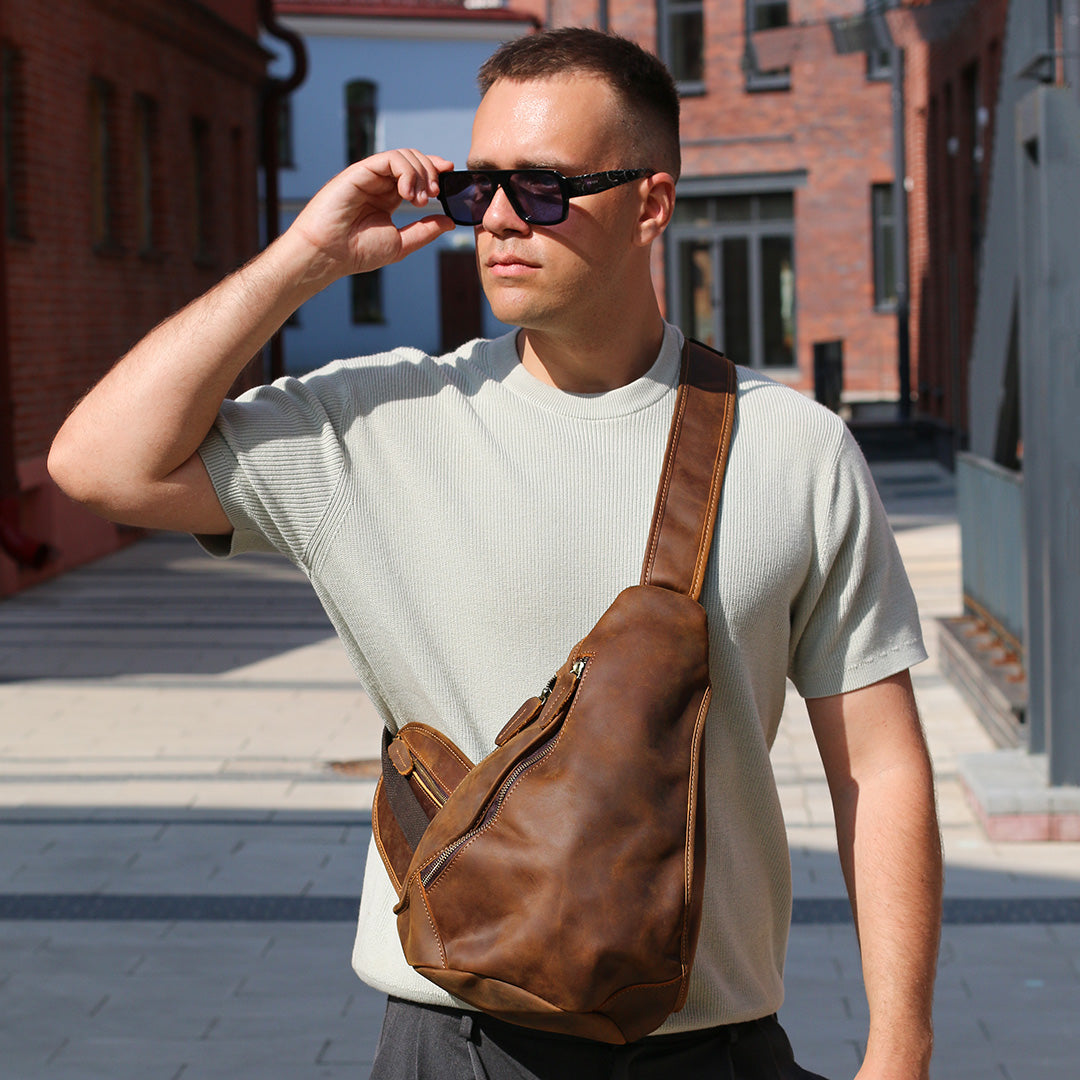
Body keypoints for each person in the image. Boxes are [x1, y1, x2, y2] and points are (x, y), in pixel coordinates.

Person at [48, 27, 942, 1080]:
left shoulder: (792, 449)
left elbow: (877, 768)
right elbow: (100, 464)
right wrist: (307, 258)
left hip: (710, 1045)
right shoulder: (381, 426)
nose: (504, 219)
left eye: (547, 187)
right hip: (455, 1044)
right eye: (477, 188)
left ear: (650, 205)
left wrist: (901, 1046)